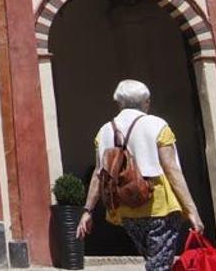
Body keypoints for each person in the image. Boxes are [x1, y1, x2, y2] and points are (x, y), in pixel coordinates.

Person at [75, 79, 205, 271]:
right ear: (146, 101)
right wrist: (191, 209)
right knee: (159, 265)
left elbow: (98, 174)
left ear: (119, 103)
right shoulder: (157, 125)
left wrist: (88, 211)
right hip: (159, 205)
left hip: (126, 208)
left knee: (155, 262)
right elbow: (171, 169)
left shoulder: (103, 132)